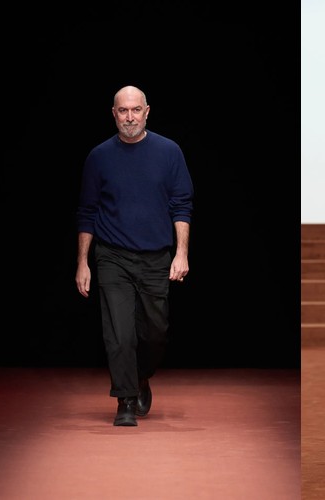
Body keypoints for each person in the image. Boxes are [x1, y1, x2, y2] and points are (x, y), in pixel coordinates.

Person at [74, 86, 192, 427]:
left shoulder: (169, 152)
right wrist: (82, 262)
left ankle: (140, 377)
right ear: (113, 114)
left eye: (135, 110)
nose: (129, 117)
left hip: (156, 257)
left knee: (156, 333)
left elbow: (182, 205)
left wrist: (181, 253)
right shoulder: (99, 157)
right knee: (119, 333)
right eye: (123, 110)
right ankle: (125, 399)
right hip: (112, 256)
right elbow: (87, 211)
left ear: (147, 111)